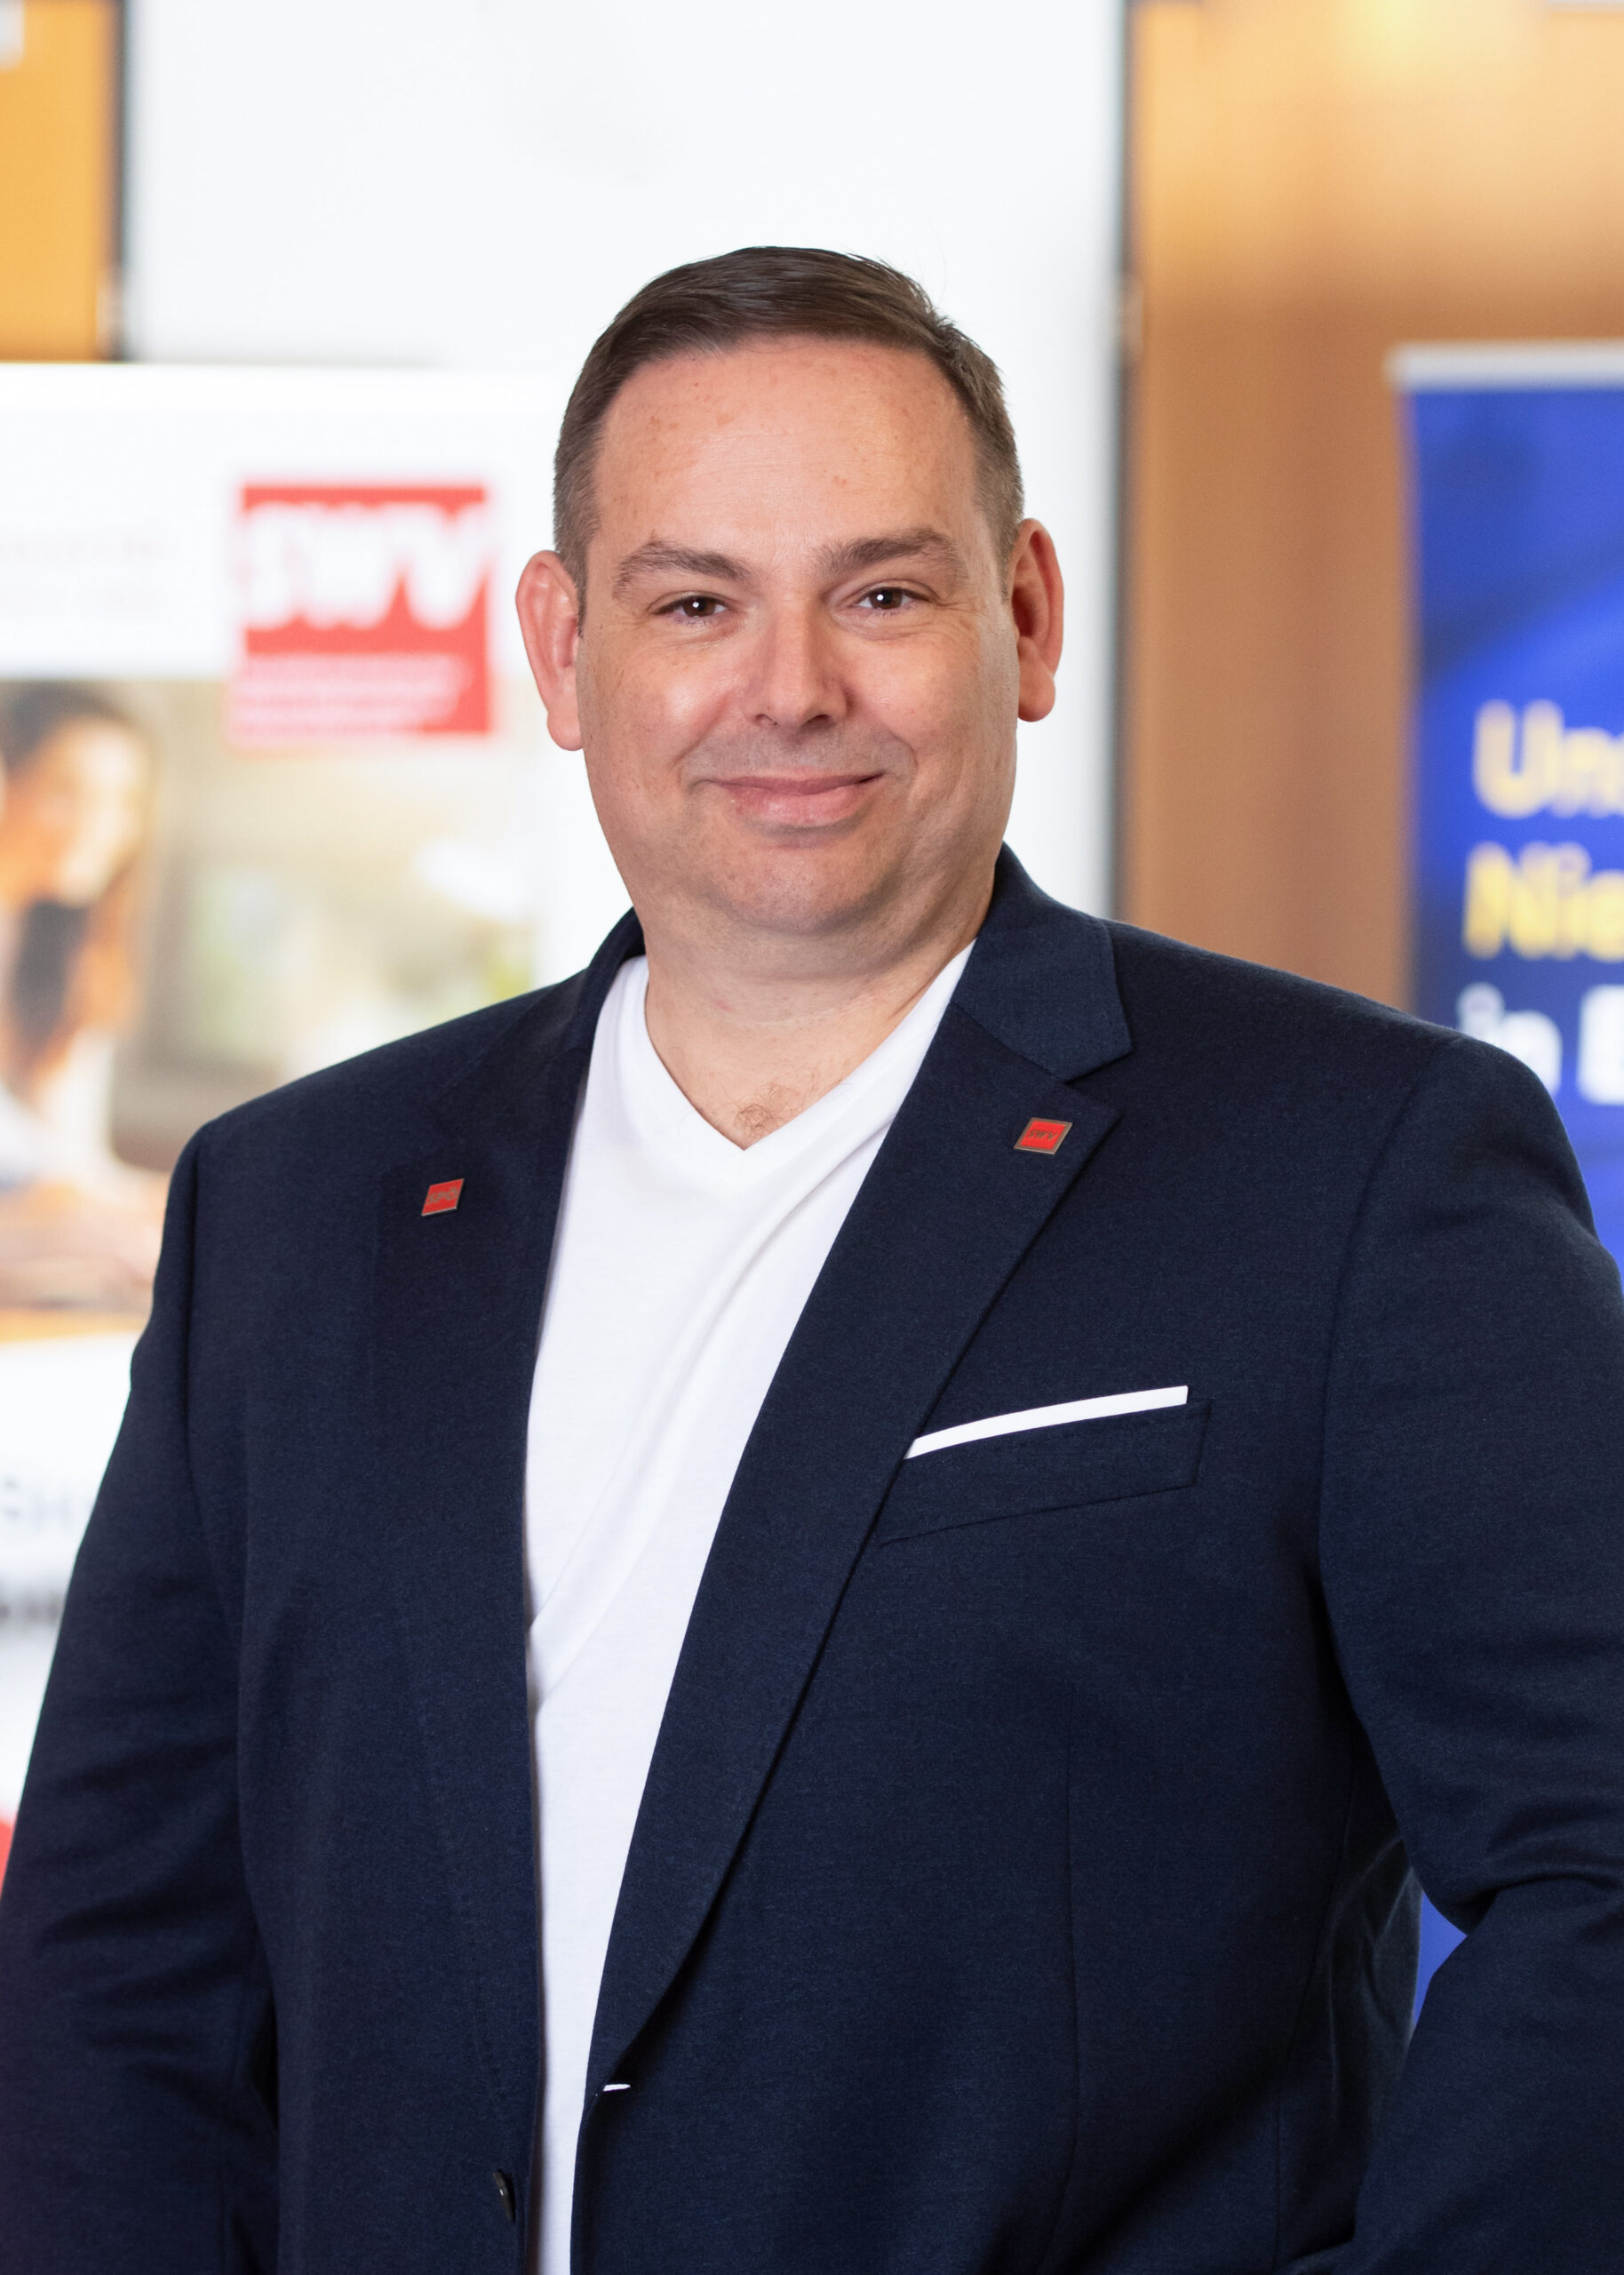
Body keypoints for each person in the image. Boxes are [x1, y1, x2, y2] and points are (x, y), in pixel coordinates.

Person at [0, 248, 1620, 2275]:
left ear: (1023, 617)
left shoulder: (1354, 1167)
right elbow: (121, 1962)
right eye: (695, 602)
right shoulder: (295, 1208)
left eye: (879, 594)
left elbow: (1595, 1866)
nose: (788, 689)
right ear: (562, 647)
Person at [0, 684, 161, 1313]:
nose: (100, 825)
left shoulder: (72, 956)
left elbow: (77, 1162)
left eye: (124, 801)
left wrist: (172, 1198)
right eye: (68, 791)